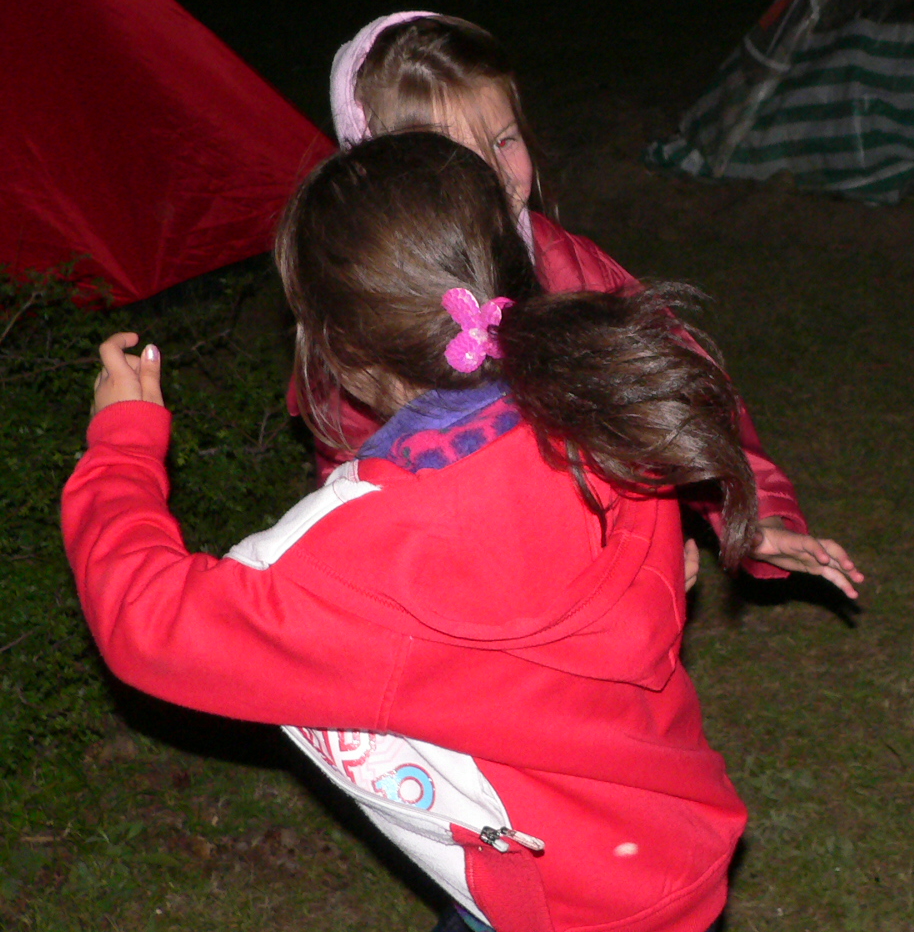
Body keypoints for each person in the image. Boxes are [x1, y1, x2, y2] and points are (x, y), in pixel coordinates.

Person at [63, 133, 767, 932]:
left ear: (340, 350)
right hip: (668, 840)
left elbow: (150, 621)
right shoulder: (604, 408)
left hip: (562, 902)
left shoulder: (360, 556)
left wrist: (122, 443)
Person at [300, 11, 862, 598]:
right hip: (464, 588)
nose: (495, 175)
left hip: (602, 550)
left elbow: (677, 388)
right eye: (457, 158)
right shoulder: (367, 316)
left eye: (505, 140)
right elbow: (359, 492)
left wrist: (753, 510)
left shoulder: (565, 267)